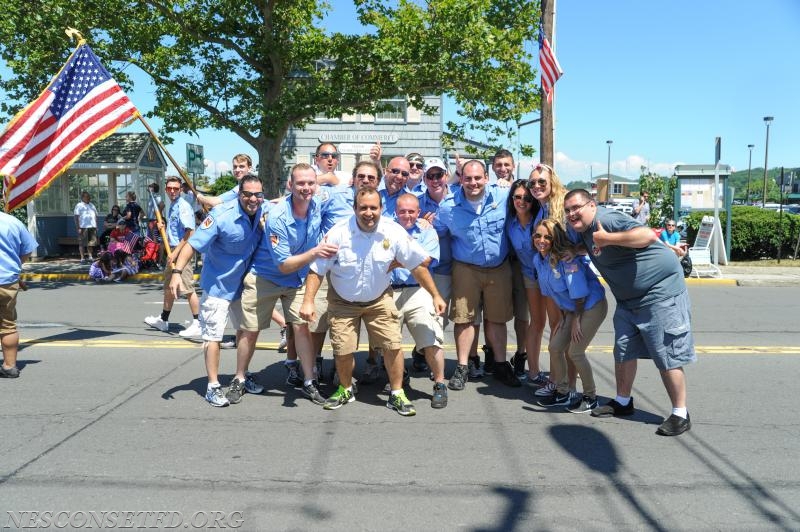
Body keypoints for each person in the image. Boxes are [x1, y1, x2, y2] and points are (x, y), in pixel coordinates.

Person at [300, 187, 446, 416]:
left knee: (392, 345)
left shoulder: (394, 232)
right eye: (363, 208)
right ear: (355, 209)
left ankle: (397, 393)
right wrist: (308, 301)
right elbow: (316, 270)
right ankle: (345, 388)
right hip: (343, 301)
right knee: (343, 348)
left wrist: (435, 295)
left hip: (379, 298)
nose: (369, 213)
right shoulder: (338, 233)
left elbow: (417, 265)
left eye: (374, 208)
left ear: (381, 209)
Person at [564, 189, 695, 436]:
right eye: (568, 210)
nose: (571, 214)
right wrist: (579, 251)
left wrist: (608, 239)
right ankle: (623, 401)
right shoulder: (584, 231)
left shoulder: (607, 220)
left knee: (665, 353)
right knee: (623, 350)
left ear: (591, 205)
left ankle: (680, 413)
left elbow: (646, 234)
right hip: (628, 301)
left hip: (660, 292)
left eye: (576, 208)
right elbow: (593, 245)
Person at [231, 163, 336, 405]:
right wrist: (316, 252)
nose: (306, 187)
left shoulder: (317, 203)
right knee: (250, 330)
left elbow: (346, 189)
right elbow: (284, 265)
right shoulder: (277, 216)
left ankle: (309, 381)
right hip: (266, 276)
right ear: (290, 185)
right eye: (300, 183)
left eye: (311, 183)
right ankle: (239, 378)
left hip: (296, 278)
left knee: (301, 327)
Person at [169, 174, 267, 407]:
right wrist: (176, 273)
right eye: (247, 194)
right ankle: (212, 385)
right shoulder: (221, 216)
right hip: (217, 286)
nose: (253, 198)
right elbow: (192, 244)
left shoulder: (263, 210)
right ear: (239, 194)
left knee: (248, 331)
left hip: (243, 286)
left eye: (257, 194)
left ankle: (240, 377)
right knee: (213, 336)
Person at [434, 159, 521, 390]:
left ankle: (501, 365)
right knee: (464, 319)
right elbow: (438, 233)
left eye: (478, 178)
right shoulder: (448, 207)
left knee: (497, 318)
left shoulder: (503, 197)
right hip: (465, 268)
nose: (473, 183)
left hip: (499, 268)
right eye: (468, 178)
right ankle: (463, 367)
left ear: (487, 178)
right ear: (460, 179)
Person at [532, 219, 606, 413]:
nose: (541, 240)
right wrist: (564, 318)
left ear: (555, 240)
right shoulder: (538, 260)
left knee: (575, 352)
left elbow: (579, 294)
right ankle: (563, 392)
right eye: (538, 235)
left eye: (548, 237)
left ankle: (590, 397)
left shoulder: (567, 260)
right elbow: (555, 294)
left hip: (589, 306)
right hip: (571, 311)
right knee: (555, 347)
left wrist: (575, 320)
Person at [391, 193, 448, 408]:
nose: (407, 215)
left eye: (411, 211)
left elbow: (425, 260)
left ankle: (439, 384)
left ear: (418, 212)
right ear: (396, 212)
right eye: (402, 211)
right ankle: (399, 377)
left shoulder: (427, 230)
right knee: (390, 341)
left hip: (419, 289)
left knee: (431, 337)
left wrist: (398, 260)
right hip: (389, 290)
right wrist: (409, 259)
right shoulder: (386, 229)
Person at [525, 163, 567, 387]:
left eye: (542, 181)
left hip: (558, 272)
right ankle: (541, 374)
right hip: (538, 271)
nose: (537, 186)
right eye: (532, 183)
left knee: (557, 324)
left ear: (553, 183)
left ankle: (556, 376)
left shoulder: (561, 205)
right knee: (542, 322)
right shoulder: (538, 207)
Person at [143, 176, 201, 338]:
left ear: (181, 189)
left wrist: (175, 253)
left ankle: (198, 323)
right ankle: (163, 319)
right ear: (166, 189)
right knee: (169, 286)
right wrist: (164, 226)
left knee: (188, 287)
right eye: (170, 189)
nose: (173, 191)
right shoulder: (173, 204)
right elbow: (178, 229)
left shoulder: (183, 206)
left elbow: (190, 232)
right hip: (173, 250)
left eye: (176, 188)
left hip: (181, 251)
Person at [505, 179, 550, 385]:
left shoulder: (540, 218)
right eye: (517, 197)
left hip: (549, 275)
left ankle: (563, 370)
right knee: (537, 323)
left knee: (559, 323)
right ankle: (533, 371)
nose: (522, 201)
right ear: (512, 199)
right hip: (529, 276)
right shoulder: (509, 223)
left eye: (527, 198)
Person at [0, 211, 38, 378]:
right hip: (7, 280)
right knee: (7, 325)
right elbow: (28, 249)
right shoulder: (12, 222)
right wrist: (14, 266)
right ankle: (10, 366)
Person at [73, 191, 98, 263]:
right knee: (82, 243)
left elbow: (95, 216)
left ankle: (90, 257)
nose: (89, 198)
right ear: (82, 197)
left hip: (92, 226)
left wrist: (96, 226)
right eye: (87, 196)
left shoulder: (92, 205)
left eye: (89, 196)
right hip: (83, 227)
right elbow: (76, 217)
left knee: (91, 243)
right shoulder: (79, 205)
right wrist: (78, 228)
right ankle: (82, 258)